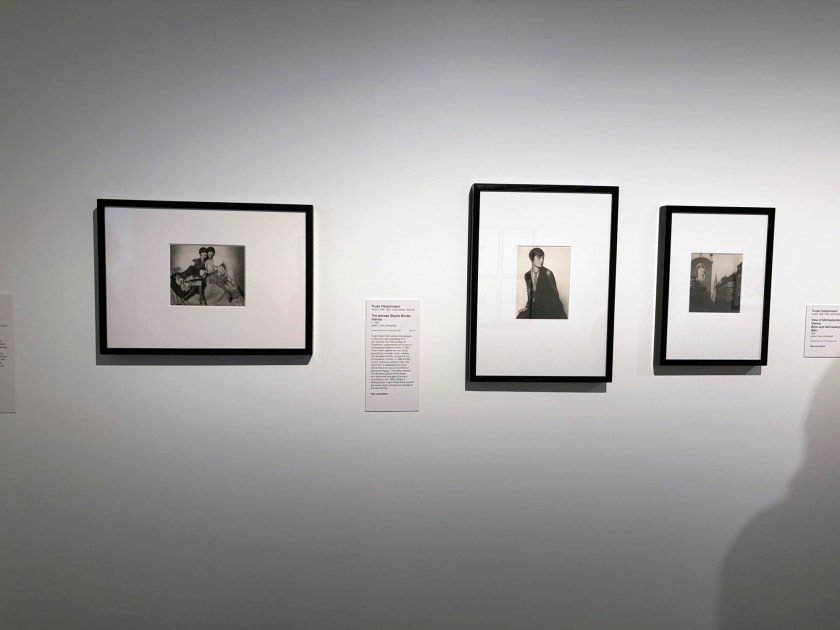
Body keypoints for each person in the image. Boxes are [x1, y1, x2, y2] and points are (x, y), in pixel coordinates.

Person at [516, 247, 567, 319]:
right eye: (539, 258)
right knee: (520, 316)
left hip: (550, 306)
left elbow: (555, 293)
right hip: (536, 306)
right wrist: (527, 307)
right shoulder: (527, 275)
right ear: (532, 259)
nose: (542, 260)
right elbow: (530, 293)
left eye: (543, 258)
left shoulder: (548, 273)